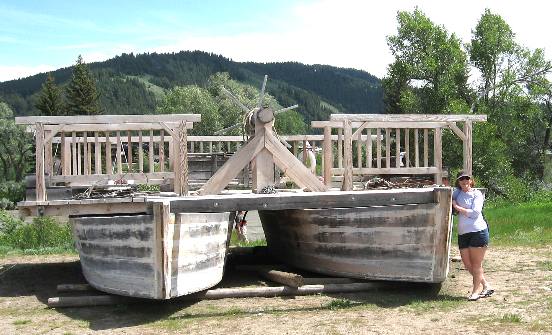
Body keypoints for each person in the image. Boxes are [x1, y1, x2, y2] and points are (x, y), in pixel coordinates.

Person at [452, 170, 494, 301]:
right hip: (463, 233)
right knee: (467, 264)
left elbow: (475, 213)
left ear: (471, 180)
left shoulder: (477, 194)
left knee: (476, 265)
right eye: (461, 179)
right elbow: (447, 192)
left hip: (478, 232)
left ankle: (475, 292)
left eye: (466, 179)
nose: (464, 181)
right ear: (458, 182)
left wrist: (456, 207)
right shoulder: (457, 193)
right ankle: (486, 285)